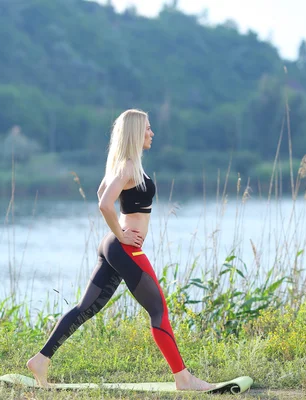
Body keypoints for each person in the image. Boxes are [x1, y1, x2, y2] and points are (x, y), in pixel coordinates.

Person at [26, 109, 214, 391]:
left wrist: (118, 235)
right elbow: (104, 204)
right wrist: (122, 235)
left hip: (113, 247)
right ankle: (183, 379)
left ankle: (41, 359)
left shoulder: (126, 165)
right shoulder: (127, 166)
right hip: (122, 248)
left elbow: (102, 193)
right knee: (158, 310)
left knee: (85, 308)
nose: (152, 133)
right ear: (136, 132)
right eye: (148, 128)